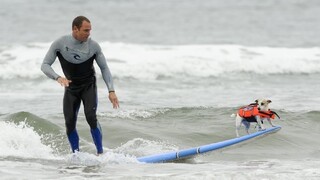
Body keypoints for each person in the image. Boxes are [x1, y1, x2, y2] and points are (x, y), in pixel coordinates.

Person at [41, 16, 119, 154]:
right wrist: (58, 77)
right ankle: (75, 156)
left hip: (88, 86)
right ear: (75, 29)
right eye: (85, 30)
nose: (89, 33)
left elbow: (104, 68)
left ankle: (100, 153)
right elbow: (45, 65)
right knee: (69, 123)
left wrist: (111, 91)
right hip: (71, 88)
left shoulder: (93, 46)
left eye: (90, 30)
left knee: (91, 117)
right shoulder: (60, 43)